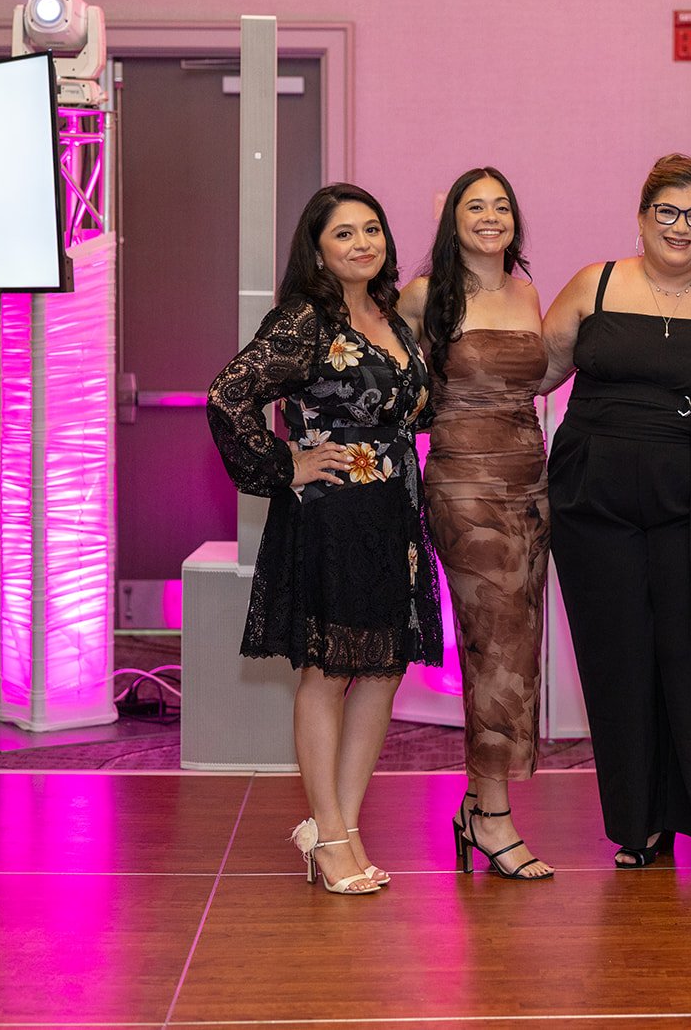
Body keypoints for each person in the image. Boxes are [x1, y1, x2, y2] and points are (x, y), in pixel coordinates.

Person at [541, 153, 691, 885]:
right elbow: (537, 373)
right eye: (666, 212)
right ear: (642, 218)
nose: (680, 227)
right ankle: (639, 822)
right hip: (596, 498)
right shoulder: (596, 283)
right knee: (618, 657)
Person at [207, 183, 440, 896]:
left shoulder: (392, 316)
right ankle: (330, 832)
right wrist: (286, 463)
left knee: (382, 666)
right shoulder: (306, 318)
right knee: (328, 670)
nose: (362, 243)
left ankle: (341, 826)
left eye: (372, 228)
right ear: (317, 248)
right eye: (344, 233)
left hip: (394, 513)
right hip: (331, 513)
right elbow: (229, 392)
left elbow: (407, 409)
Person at [399, 167, 553, 880]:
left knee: (519, 647)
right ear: (452, 220)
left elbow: (542, 381)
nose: (489, 217)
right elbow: (390, 385)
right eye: (474, 206)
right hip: (463, 483)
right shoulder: (427, 296)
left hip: (531, 483)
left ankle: (476, 805)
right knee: (492, 649)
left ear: (516, 219)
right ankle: (493, 818)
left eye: (500, 206)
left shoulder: (527, 291)